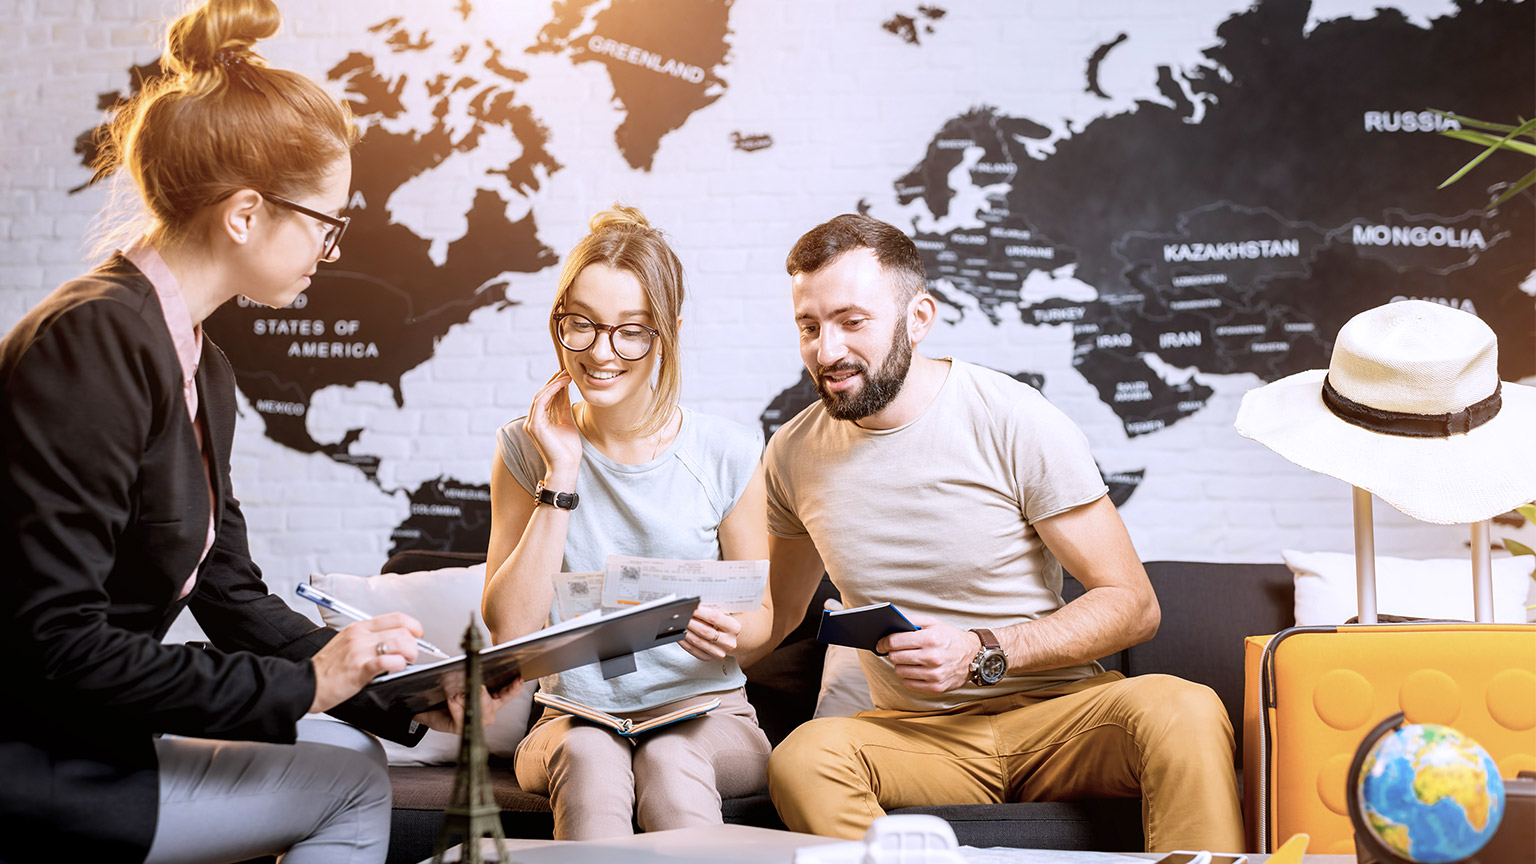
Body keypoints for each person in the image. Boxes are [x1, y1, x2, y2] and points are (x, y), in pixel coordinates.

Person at [0, 2, 514, 862]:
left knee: (353, 750)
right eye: (326, 221)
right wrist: (309, 681)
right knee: (349, 785)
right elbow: (56, 643)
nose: (332, 248)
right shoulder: (89, 342)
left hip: (88, 737)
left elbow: (228, 592)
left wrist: (402, 692)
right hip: (37, 759)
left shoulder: (203, 367)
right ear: (245, 214)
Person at [736, 213, 1244, 852]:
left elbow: (1134, 606)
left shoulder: (1014, 417)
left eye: (851, 321)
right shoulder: (792, 452)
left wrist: (979, 650)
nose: (826, 350)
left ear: (918, 318)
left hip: (1059, 721)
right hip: (918, 739)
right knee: (804, 757)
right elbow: (777, 612)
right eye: (809, 327)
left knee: (1186, 708)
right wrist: (649, 660)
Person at [482, 204, 772, 841]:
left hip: (708, 714)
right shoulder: (524, 451)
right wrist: (559, 475)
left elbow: (762, 619)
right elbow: (509, 627)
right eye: (580, 325)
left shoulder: (725, 452)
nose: (602, 353)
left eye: (630, 331)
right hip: (571, 717)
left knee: (670, 760)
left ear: (663, 335)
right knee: (590, 760)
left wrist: (726, 630)